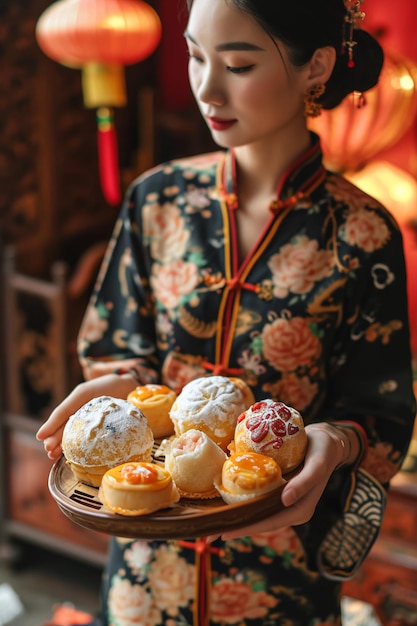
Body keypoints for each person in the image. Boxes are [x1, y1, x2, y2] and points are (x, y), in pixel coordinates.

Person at [37, 0, 416, 624]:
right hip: (146, 560)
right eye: (194, 55)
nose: (206, 88)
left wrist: (339, 442)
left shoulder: (363, 231)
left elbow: (383, 409)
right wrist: (124, 382)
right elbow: (116, 339)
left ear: (316, 66)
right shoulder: (157, 200)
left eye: (238, 63)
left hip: (278, 564)